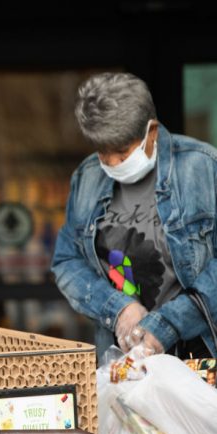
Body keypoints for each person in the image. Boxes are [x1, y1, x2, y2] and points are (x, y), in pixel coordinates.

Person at [52, 72, 217, 362]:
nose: (112, 163)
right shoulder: (87, 176)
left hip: (202, 358)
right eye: (103, 153)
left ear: (151, 132)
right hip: (124, 361)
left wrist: (167, 325)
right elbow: (67, 261)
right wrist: (119, 309)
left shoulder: (203, 168)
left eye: (121, 151)